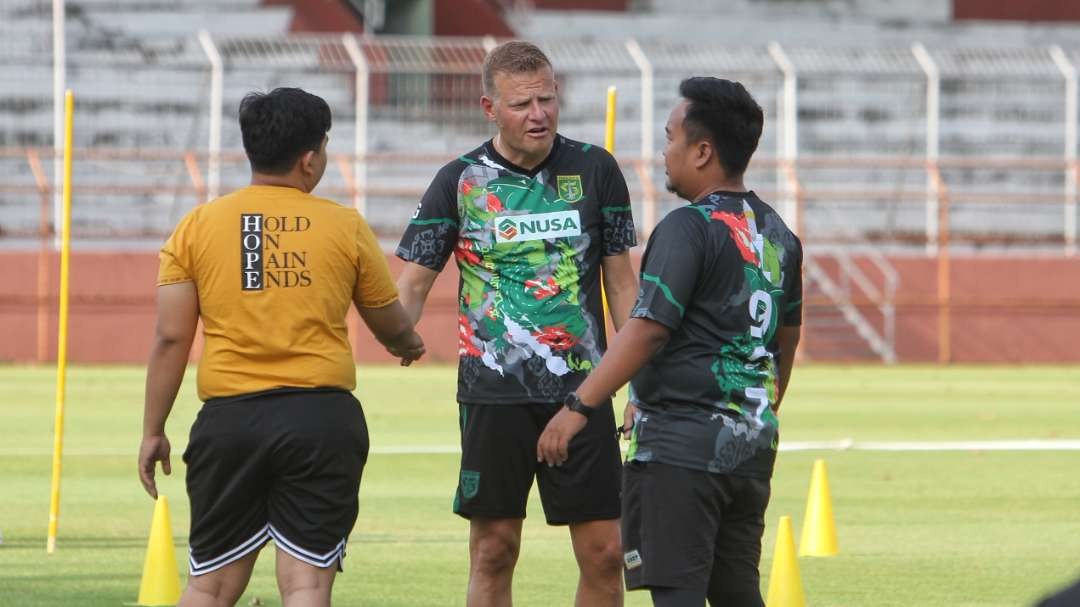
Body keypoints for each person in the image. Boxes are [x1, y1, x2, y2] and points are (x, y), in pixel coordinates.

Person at [138, 87, 425, 607]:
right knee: (306, 584)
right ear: (309, 158)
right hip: (320, 419)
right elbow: (388, 322)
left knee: (210, 585)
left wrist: (153, 430)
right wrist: (409, 341)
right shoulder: (345, 225)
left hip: (229, 422)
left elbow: (172, 336)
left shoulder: (195, 228)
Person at [538, 77, 804, 607]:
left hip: (682, 451)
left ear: (702, 151)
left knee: (677, 591)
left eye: (670, 138)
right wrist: (757, 412)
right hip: (750, 448)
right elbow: (785, 344)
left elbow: (648, 328)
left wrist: (578, 405)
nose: (664, 152)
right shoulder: (779, 235)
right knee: (736, 592)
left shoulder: (688, 228)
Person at [395, 41, 639, 606]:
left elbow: (623, 284)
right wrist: (398, 336)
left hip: (583, 390)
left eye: (548, 100)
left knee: (606, 553)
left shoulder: (596, 170)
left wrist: (638, 387)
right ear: (489, 108)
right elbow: (410, 284)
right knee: (494, 550)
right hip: (492, 393)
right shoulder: (458, 181)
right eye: (523, 104)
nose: (540, 115)